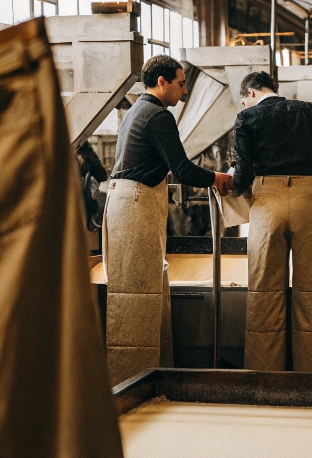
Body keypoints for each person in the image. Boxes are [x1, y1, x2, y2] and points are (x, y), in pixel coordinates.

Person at [103, 54, 231, 384]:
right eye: (181, 83)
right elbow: (186, 169)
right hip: (134, 205)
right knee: (136, 298)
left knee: (146, 290)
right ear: (162, 83)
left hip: (126, 202)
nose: (184, 92)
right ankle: (132, 383)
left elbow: (157, 161)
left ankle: (154, 376)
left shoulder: (138, 111)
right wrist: (216, 177)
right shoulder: (159, 116)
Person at [231, 71, 312, 372]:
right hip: (310, 197)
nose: (245, 106)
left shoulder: (247, 119)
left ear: (251, 93)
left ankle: (265, 378)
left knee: (264, 291)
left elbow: (242, 170)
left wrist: (238, 190)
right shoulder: (309, 110)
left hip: (267, 201)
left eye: (244, 101)